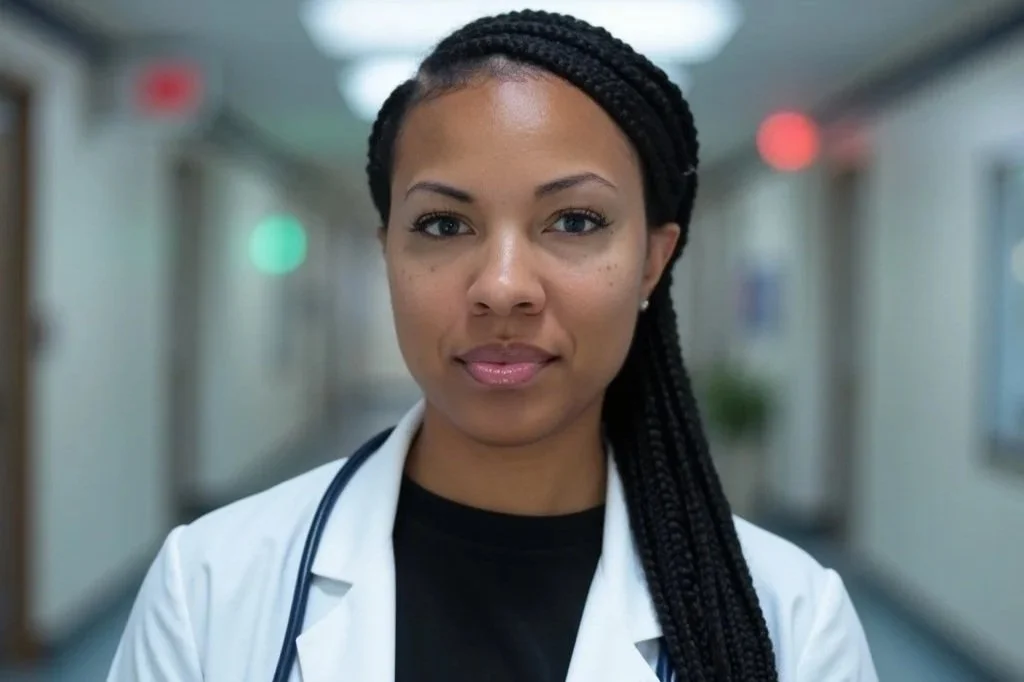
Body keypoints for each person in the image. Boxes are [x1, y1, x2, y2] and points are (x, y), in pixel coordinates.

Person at [107, 10, 877, 682]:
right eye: (444, 225)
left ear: (653, 258)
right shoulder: (208, 586)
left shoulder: (794, 622)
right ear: (388, 254)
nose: (502, 287)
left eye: (574, 221)